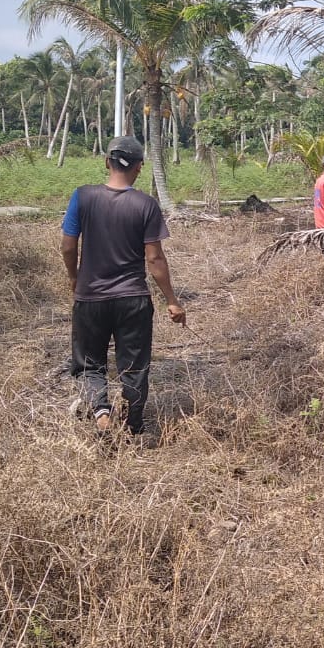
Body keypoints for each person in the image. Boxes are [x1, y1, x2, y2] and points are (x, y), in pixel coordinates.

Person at [61, 136, 186, 437]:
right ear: (140, 168)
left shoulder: (83, 197)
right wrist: (172, 300)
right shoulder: (146, 204)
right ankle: (133, 427)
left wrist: (74, 276)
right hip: (133, 300)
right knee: (134, 366)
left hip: (90, 297)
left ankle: (101, 411)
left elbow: (67, 246)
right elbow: (154, 258)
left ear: (107, 162)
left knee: (90, 363)